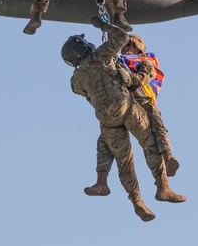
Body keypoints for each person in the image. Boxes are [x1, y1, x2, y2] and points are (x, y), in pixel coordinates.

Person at [64, 16, 186, 222]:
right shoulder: (101, 57)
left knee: (124, 161)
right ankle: (162, 186)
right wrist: (102, 25)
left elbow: (86, 93)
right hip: (127, 107)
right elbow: (121, 38)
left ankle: (136, 200)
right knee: (149, 144)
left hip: (106, 118)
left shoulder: (75, 81)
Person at [84, 32, 180, 198]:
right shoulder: (115, 60)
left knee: (155, 128)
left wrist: (126, 77)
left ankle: (167, 160)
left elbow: (145, 77)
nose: (128, 49)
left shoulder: (144, 61)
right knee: (105, 139)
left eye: (133, 46)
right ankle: (102, 181)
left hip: (141, 101)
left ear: (140, 49)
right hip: (119, 103)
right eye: (126, 45)